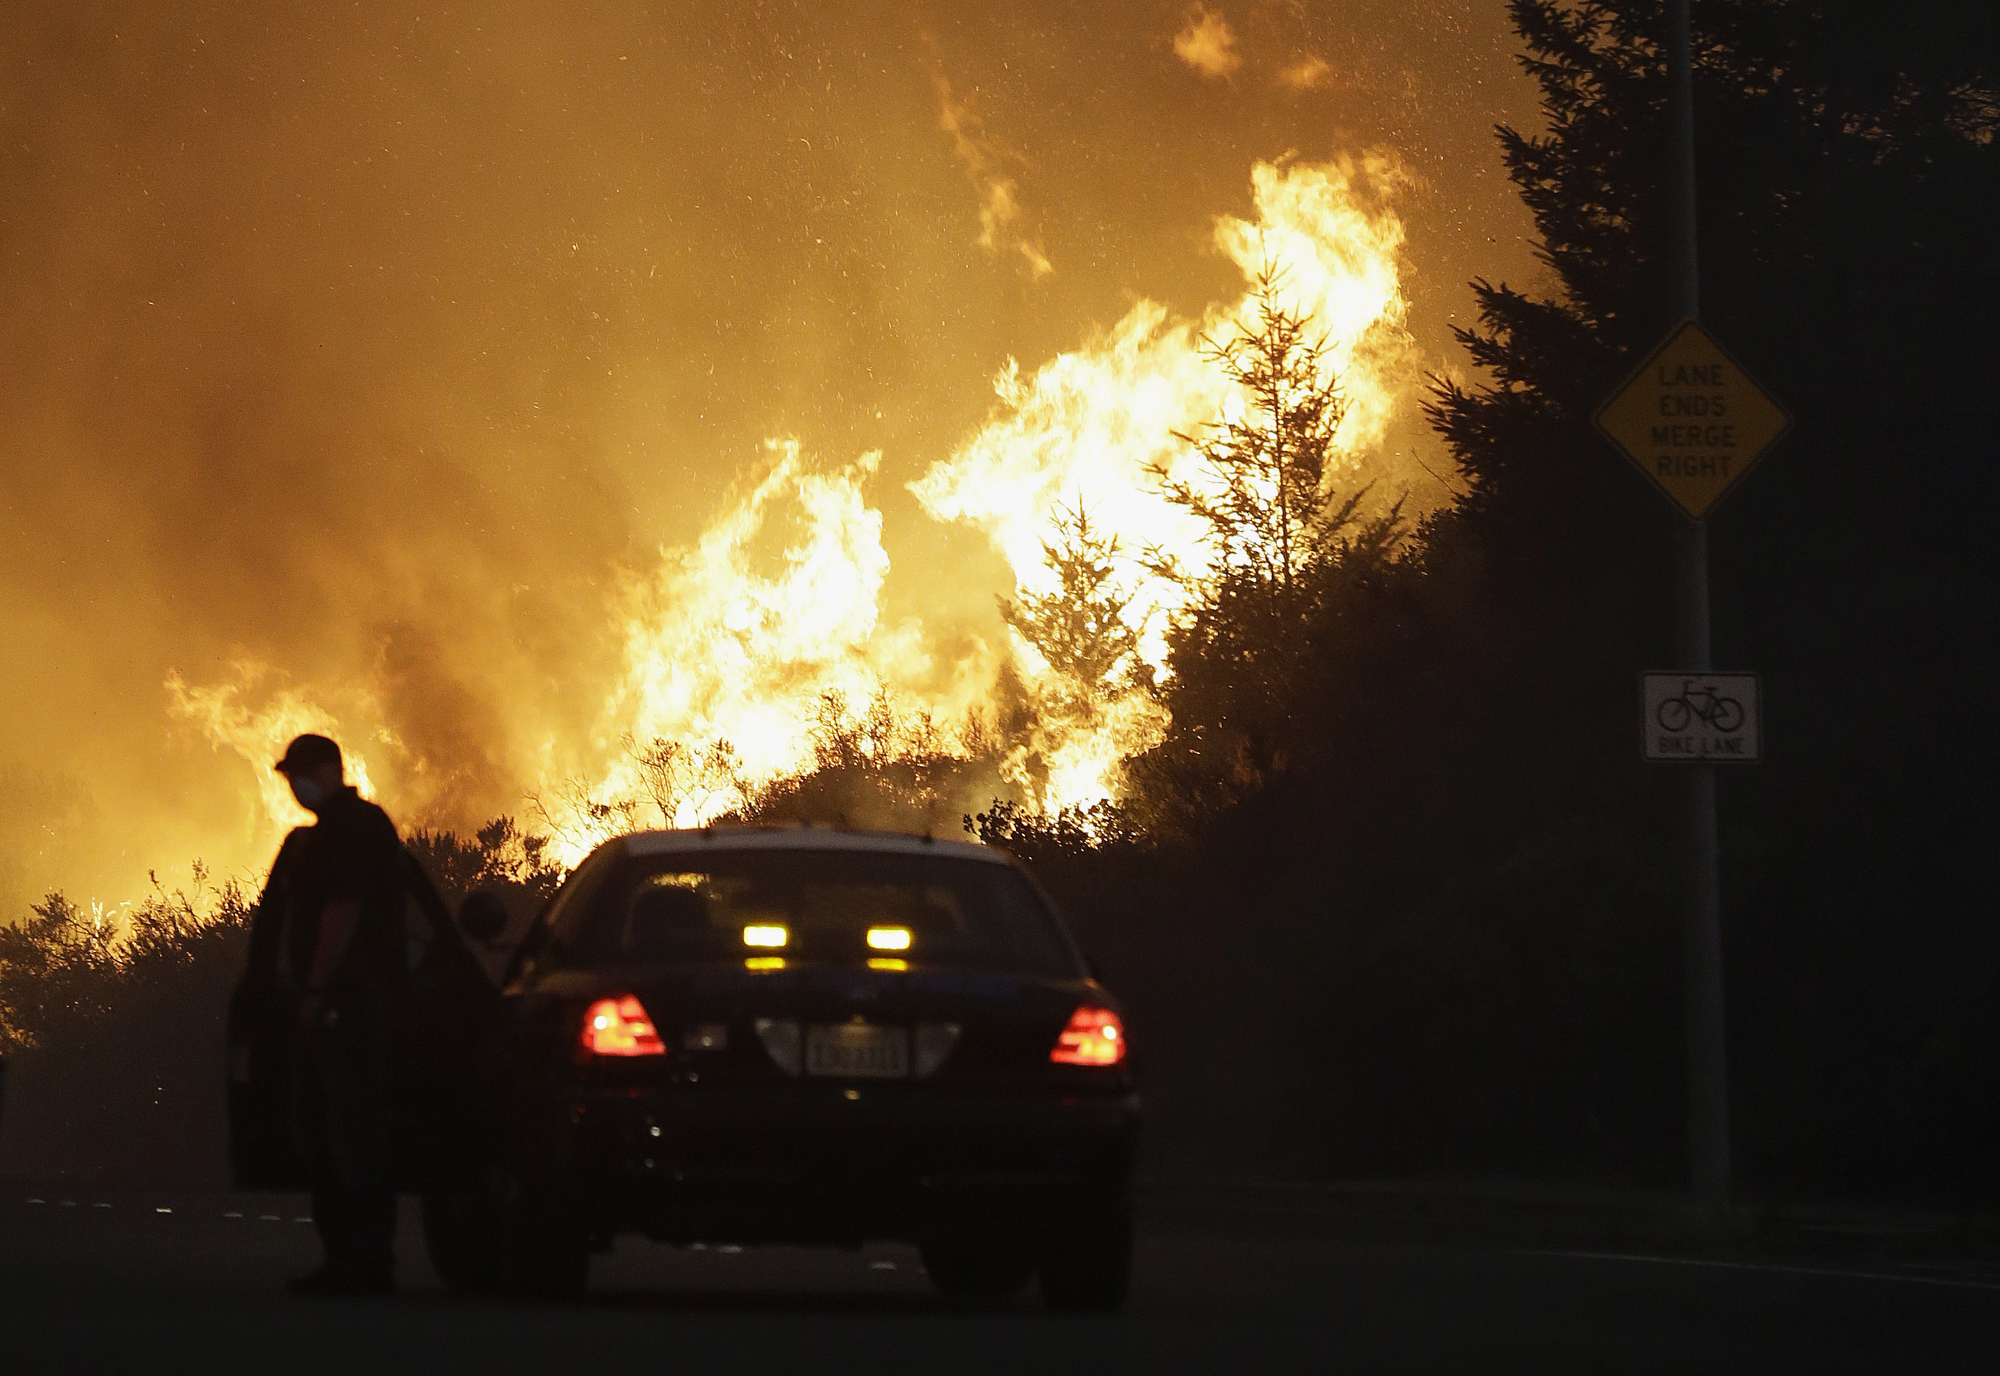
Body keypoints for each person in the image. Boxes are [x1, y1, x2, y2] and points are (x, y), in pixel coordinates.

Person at [269, 733, 407, 1296]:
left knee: (350, 1133)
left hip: (352, 1007)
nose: (295, 786)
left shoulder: (352, 828)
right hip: (347, 1004)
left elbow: (343, 910)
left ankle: (364, 1263)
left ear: (328, 770)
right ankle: (348, 1260)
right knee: (329, 1132)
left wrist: (315, 988)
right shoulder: (333, 831)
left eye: (300, 774)